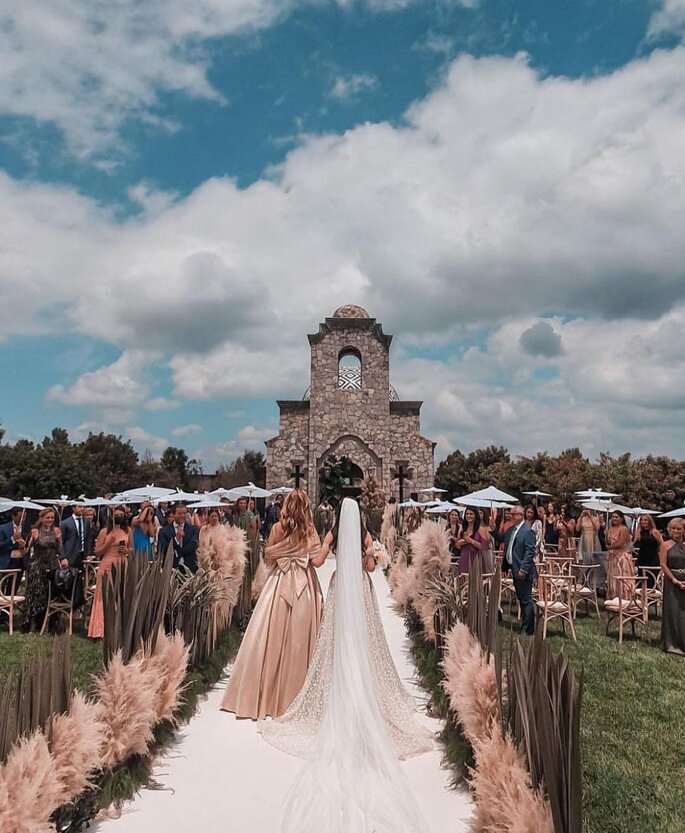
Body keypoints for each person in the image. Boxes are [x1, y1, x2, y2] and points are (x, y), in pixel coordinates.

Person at [262, 498, 431, 833]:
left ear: (339, 516)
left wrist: (310, 553)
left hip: (341, 587)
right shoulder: (366, 536)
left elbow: (319, 560)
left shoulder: (332, 533)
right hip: (361, 590)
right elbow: (370, 569)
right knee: (364, 639)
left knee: (337, 639)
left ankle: (342, 684)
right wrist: (372, 555)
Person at [221, 489, 323, 720]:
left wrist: (282, 552)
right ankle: (297, 693)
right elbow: (316, 561)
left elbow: (268, 557)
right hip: (305, 584)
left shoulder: (277, 528)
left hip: (280, 583)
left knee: (270, 635)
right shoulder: (310, 530)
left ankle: (265, 696)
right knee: (300, 639)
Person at [88, 508, 131, 639]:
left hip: (122, 563)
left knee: (120, 594)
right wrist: (108, 543)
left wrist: (127, 550)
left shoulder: (127, 531)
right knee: (104, 595)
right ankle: (99, 630)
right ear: (111, 517)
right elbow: (97, 552)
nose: (118, 517)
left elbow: (132, 548)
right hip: (107, 563)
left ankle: (118, 629)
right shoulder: (104, 531)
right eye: (116, 515)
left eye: (121, 515)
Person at [23, 508, 63, 633]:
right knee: (35, 595)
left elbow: (59, 549)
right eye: (48, 517)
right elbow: (25, 549)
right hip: (38, 566)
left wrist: (59, 538)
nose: (50, 520)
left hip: (52, 565)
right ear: (42, 518)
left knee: (50, 595)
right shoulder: (35, 532)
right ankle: (32, 624)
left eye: (52, 518)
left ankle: (49, 624)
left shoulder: (56, 531)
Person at [499, 505, 537, 635]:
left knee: (526, 599)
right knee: (521, 598)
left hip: (523, 571)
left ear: (521, 515)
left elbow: (530, 552)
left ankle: (528, 629)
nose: (511, 516)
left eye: (514, 514)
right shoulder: (511, 530)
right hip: (514, 569)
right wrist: (492, 529)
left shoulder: (528, 531)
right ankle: (525, 625)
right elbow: (502, 540)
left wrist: (524, 569)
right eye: (511, 513)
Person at [660, 518, 685, 656]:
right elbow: (663, 565)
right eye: (673, 528)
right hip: (672, 582)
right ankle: (672, 643)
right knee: (674, 612)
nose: (676, 531)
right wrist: (675, 580)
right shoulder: (665, 545)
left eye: (679, 529)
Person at [157, 504, 199, 572]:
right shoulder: (164, 531)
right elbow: (162, 547)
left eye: (184, 513)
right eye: (179, 513)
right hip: (171, 568)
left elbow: (193, 545)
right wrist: (176, 539)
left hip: (189, 568)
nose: (182, 515)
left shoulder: (192, 530)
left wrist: (177, 553)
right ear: (173, 515)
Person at [605, 510, 635, 600]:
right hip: (612, 557)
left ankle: (624, 599)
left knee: (622, 579)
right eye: (613, 516)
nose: (614, 518)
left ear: (621, 519)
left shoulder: (624, 529)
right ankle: (614, 598)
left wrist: (609, 547)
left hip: (621, 557)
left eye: (616, 517)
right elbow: (607, 542)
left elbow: (620, 544)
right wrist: (606, 534)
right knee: (612, 578)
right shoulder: (610, 528)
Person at [455, 506, 487, 577]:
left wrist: (471, 541)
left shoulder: (481, 529)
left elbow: (484, 546)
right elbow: (457, 546)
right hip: (464, 558)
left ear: (475, 515)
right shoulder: (463, 529)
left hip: (476, 559)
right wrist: (459, 543)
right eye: (467, 514)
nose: (469, 516)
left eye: (471, 514)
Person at [633, 514, 663, 587]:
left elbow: (662, 544)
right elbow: (634, 544)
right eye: (642, 520)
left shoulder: (654, 532)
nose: (643, 522)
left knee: (652, 579)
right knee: (641, 578)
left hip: (653, 557)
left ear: (649, 521)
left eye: (645, 520)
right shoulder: (638, 532)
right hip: (642, 558)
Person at [0, 508, 28, 581]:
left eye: (24, 517)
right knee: (2, 586)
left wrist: (23, 546)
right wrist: (12, 539)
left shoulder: (27, 529)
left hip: (20, 562)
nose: (23, 519)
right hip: (7, 562)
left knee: (14, 586)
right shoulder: (3, 528)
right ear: (13, 516)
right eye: (20, 517)